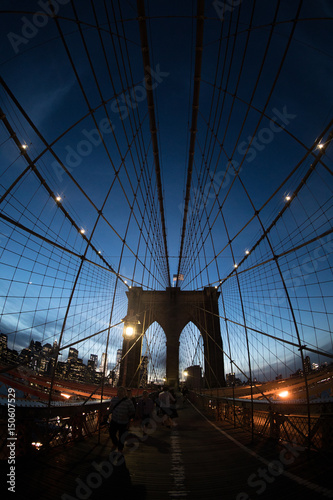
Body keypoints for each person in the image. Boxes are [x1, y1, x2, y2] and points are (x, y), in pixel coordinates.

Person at [108, 386, 135, 452]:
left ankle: (120, 449)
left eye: (122, 392)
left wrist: (127, 416)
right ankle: (115, 443)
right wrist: (108, 413)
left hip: (123, 421)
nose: (120, 393)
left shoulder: (128, 401)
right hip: (114, 419)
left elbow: (132, 410)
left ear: (124, 393)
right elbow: (111, 407)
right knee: (111, 432)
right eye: (119, 391)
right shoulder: (114, 399)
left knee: (122, 436)